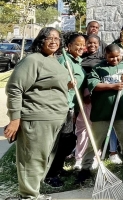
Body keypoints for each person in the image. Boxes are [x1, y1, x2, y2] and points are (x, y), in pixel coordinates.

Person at [4, 27, 69, 200]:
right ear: (41, 40)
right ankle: (28, 196)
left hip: (55, 118)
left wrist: (67, 85)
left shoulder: (54, 60)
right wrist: (15, 119)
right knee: (32, 160)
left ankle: (33, 193)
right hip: (37, 117)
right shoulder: (32, 60)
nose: (54, 41)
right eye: (49, 38)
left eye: (57, 38)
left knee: (43, 159)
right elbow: (14, 89)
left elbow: (47, 84)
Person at [76, 44, 123, 184]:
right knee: (95, 141)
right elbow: (94, 85)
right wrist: (113, 86)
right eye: (111, 57)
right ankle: (86, 167)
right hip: (102, 112)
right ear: (105, 56)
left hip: (122, 110)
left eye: (117, 56)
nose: (114, 59)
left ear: (121, 55)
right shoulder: (99, 68)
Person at [45, 33, 87, 188]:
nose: (82, 47)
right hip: (60, 107)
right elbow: (52, 83)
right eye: (78, 44)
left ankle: (58, 168)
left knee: (67, 140)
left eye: (83, 44)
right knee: (59, 142)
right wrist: (66, 85)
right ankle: (50, 175)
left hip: (70, 107)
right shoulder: (63, 60)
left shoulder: (77, 61)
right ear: (68, 45)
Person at [78, 34, 108, 169]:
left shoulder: (102, 59)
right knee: (82, 128)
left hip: (96, 95)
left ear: (99, 44)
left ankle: (96, 155)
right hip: (81, 96)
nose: (92, 45)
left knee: (95, 127)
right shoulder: (80, 58)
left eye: (95, 43)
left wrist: (90, 92)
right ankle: (79, 157)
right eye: (89, 43)